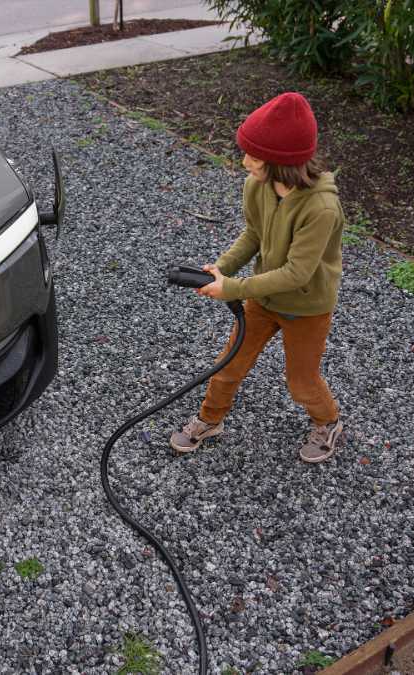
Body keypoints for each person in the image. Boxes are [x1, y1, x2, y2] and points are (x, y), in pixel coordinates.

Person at [169, 92, 345, 464]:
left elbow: (298, 273)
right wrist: (223, 268)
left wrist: (232, 288)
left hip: (306, 307)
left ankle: (327, 421)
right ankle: (209, 419)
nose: (245, 160)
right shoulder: (258, 185)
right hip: (263, 300)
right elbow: (253, 234)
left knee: (301, 381)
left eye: (254, 155)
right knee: (228, 365)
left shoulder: (321, 207)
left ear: (281, 162)